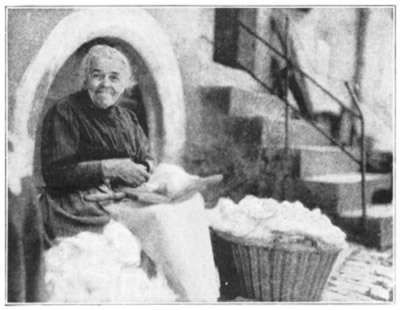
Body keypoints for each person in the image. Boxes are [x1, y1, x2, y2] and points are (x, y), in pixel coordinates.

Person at [40, 44, 155, 240]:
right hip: (76, 204)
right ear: (85, 80)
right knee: (131, 234)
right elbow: (55, 174)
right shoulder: (65, 111)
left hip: (120, 198)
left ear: (126, 84)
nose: (106, 84)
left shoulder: (128, 118)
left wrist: (143, 169)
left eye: (114, 77)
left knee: (165, 218)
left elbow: (147, 158)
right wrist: (110, 168)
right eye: (97, 76)